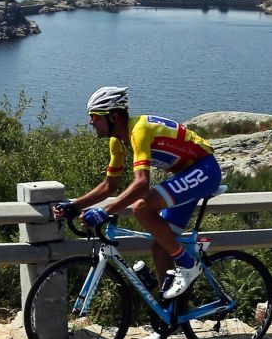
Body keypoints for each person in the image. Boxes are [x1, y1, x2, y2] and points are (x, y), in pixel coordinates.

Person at [53, 86, 222, 306]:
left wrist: (104, 212)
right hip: (187, 173)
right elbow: (109, 185)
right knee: (160, 246)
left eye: (94, 116)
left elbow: (142, 185)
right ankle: (171, 317)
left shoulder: (138, 131)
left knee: (141, 208)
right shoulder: (118, 141)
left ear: (113, 116)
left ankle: (187, 264)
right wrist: (75, 205)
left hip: (205, 170)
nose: (90, 122)